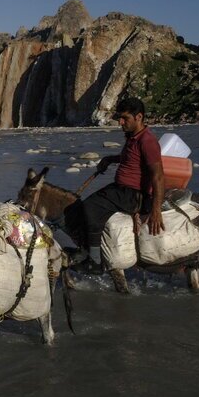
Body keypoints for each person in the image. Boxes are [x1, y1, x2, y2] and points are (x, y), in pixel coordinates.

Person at [71, 97, 164, 274]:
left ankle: (95, 262)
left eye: (125, 118)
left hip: (133, 195)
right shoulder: (133, 138)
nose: (120, 122)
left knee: (90, 207)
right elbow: (132, 160)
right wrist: (110, 159)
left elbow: (158, 176)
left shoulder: (147, 141)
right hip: (121, 190)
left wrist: (156, 210)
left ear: (139, 117)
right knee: (87, 205)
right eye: (120, 118)